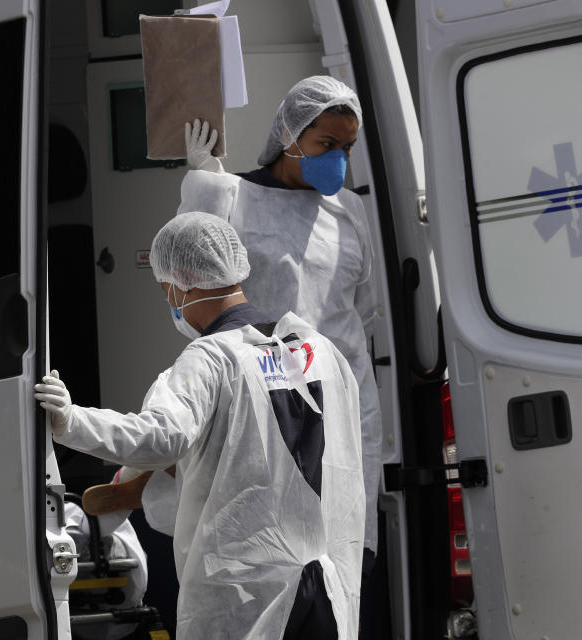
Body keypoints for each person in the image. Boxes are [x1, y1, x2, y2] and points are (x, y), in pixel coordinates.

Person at [35, 212, 365, 639]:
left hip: (245, 594)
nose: (168, 299)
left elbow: (161, 438)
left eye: (164, 288)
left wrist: (71, 421)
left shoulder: (211, 359)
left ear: (181, 281)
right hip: (327, 583)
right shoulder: (321, 352)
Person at [179, 76, 382, 574]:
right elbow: (191, 306)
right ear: (290, 136)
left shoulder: (350, 212)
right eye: (327, 145)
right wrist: (203, 186)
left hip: (344, 406)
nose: (339, 159)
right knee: (268, 564)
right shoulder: (232, 198)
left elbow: (364, 308)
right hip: (266, 409)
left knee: (341, 562)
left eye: (347, 147)